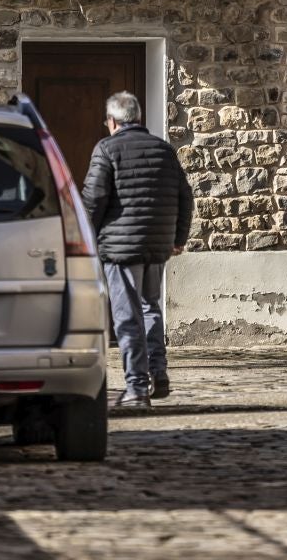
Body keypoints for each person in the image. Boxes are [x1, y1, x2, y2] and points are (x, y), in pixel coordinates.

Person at [80, 91, 193, 409]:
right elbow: (186, 196)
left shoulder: (106, 149)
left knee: (127, 316)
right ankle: (159, 374)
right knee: (149, 309)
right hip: (156, 245)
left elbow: (93, 199)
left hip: (120, 248)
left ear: (112, 121)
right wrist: (178, 238)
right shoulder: (164, 150)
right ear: (138, 118)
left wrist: (84, 238)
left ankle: (136, 387)